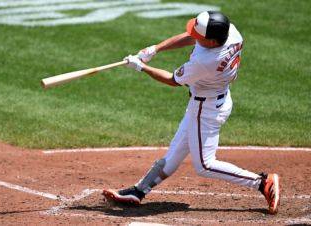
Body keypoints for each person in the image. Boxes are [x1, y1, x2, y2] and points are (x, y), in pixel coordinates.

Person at [102, 11, 280, 214]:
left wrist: (141, 67)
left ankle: (262, 182)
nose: (195, 37)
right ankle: (138, 191)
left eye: (201, 37)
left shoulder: (206, 62)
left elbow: (171, 80)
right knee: (174, 155)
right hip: (215, 99)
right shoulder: (230, 32)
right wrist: (155, 48)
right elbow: (192, 36)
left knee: (204, 165)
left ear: (212, 42)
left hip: (206, 110)